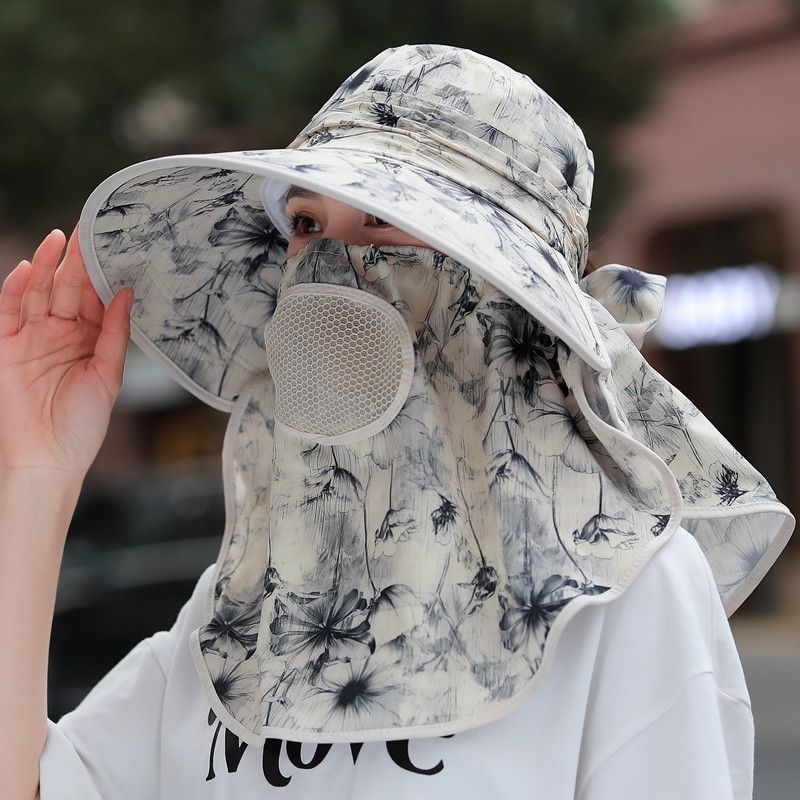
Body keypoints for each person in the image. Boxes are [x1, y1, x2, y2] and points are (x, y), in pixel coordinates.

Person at [0, 44, 793, 800]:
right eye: (306, 224)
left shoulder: (631, 595)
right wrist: (37, 472)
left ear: (506, 289)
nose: (326, 265)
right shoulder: (245, 601)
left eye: (382, 221)